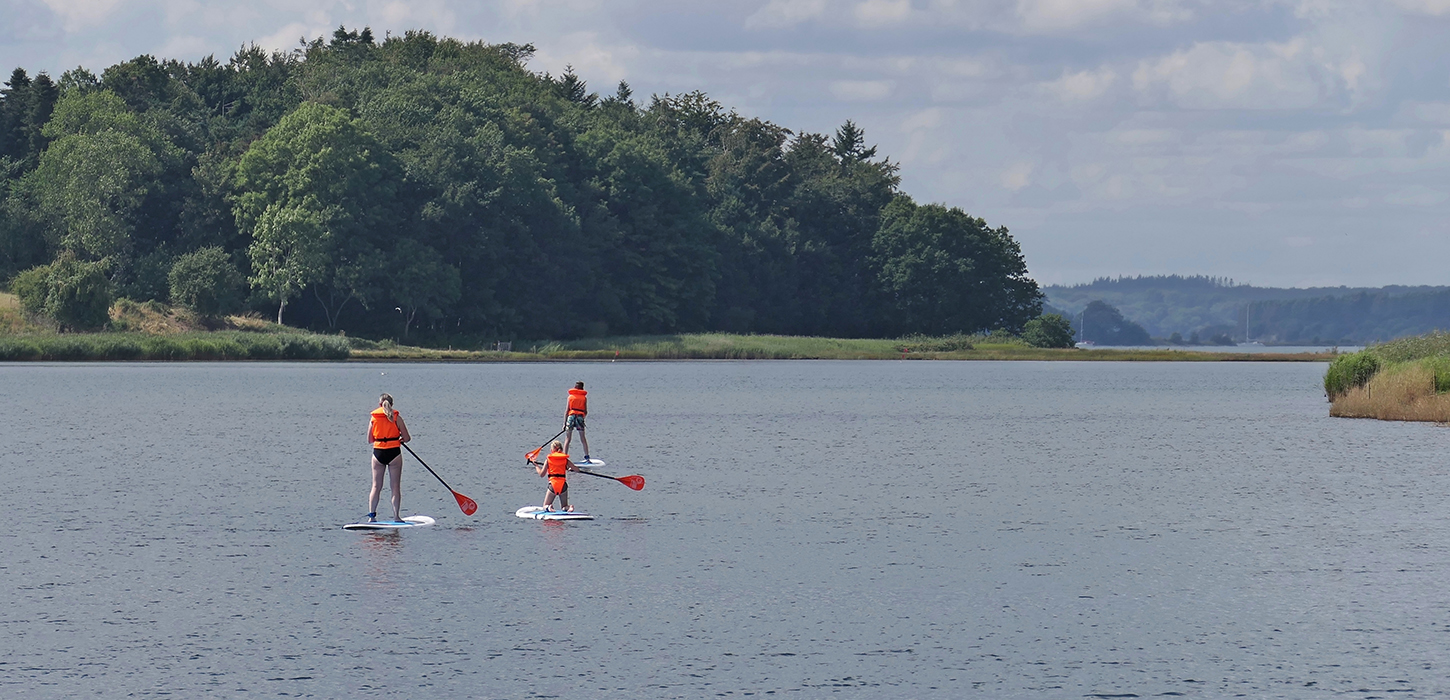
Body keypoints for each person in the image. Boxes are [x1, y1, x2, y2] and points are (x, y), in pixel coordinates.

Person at [366, 393, 411, 523]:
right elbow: (407, 438)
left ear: (380, 404)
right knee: (395, 486)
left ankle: (372, 517)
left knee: (376, 486)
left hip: (378, 453)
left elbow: (370, 439)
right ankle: (396, 516)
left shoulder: (374, 418)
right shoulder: (397, 418)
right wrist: (399, 439)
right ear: (392, 404)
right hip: (394, 453)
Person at [535, 440, 577, 512]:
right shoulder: (565, 459)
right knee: (564, 506)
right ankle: (569, 507)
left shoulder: (548, 459)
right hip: (563, 485)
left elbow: (542, 474)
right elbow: (576, 469)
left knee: (544, 506)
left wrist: (536, 466)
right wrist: (570, 469)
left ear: (552, 450)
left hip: (553, 485)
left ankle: (549, 507)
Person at [562, 381, 591, 461]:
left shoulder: (570, 397)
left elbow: (567, 411)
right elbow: (585, 411)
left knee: (568, 439)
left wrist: (564, 424)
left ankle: (564, 457)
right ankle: (587, 457)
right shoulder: (584, 398)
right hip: (580, 417)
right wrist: (582, 418)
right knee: (583, 438)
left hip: (571, 417)